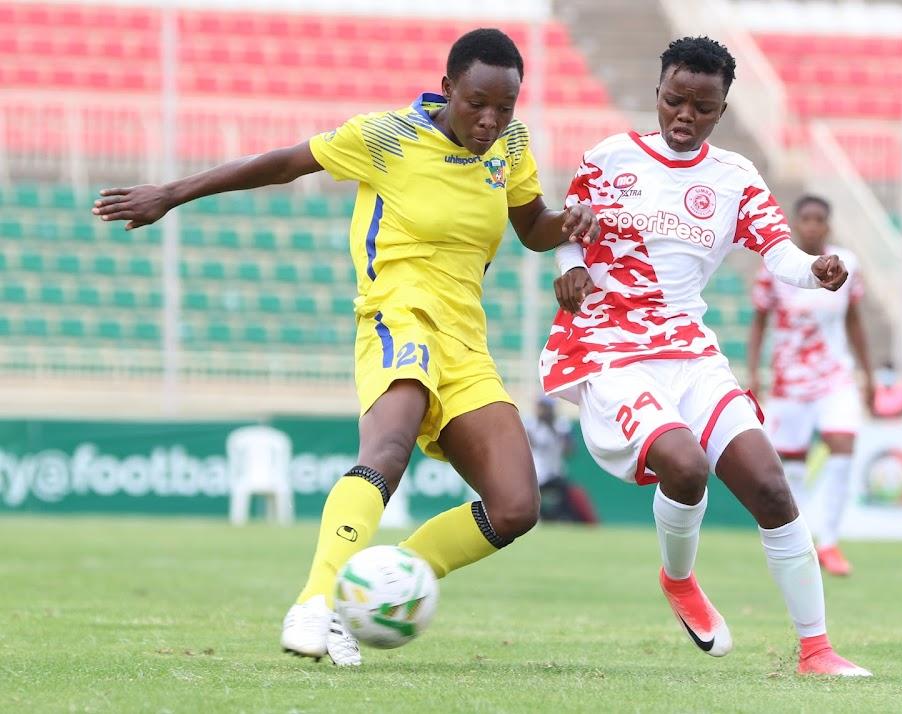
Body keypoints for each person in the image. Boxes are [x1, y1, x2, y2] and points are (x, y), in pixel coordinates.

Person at [92, 29, 598, 667]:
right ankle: (314, 600)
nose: (490, 121)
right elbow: (283, 163)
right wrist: (171, 193)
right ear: (447, 89)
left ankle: (370, 592)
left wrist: (571, 224)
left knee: (516, 506)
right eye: (477, 104)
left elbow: (531, 227)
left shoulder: (512, 145)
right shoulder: (386, 136)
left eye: (505, 107)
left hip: (466, 340)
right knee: (387, 450)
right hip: (397, 315)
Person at [541, 37, 870, 676]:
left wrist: (815, 270)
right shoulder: (609, 158)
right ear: (658, 92)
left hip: (689, 352)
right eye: (674, 100)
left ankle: (817, 650)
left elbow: (779, 253)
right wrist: (571, 267)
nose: (684, 115)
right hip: (612, 348)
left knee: (771, 487)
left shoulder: (734, 177)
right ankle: (679, 579)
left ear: (722, 109)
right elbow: (567, 232)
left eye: (702, 106)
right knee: (686, 465)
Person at [747, 195, 874, 577]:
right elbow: (759, 322)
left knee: (843, 444)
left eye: (820, 219)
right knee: (792, 466)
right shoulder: (776, 266)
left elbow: (854, 321)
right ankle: (802, 544)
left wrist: (868, 375)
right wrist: (753, 373)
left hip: (835, 375)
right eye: (806, 219)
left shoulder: (846, 264)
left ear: (828, 226)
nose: (813, 226)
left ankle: (830, 542)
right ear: (796, 223)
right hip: (789, 381)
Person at [523, 397, 598, 524]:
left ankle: (564, 519)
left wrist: (557, 433)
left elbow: (570, 450)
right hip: (537, 475)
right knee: (531, 498)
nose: (545, 411)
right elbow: (528, 445)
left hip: (556, 473)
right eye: (543, 407)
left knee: (568, 497)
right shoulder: (531, 425)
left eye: (548, 408)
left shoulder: (560, 425)